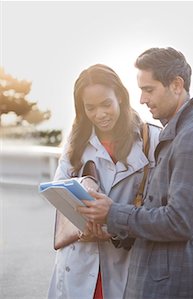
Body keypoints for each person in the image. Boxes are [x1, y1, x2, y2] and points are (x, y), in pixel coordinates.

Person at [78, 47, 193, 299]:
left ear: (176, 84)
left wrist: (113, 212)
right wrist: (112, 226)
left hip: (171, 287)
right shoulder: (177, 133)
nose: (142, 100)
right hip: (153, 282)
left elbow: (180, 222)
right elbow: (156, 211)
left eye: (149, 90)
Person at [47, 64, 160, 299]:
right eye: (91, 108)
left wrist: (114, 229)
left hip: (125, 260)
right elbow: (59, 193)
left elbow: (159, 206)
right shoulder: (76, 142)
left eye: (106, 104)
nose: (100, 114)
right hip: (79, 258)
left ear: (120, 96)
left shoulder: (151, 140)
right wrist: (84, 227)